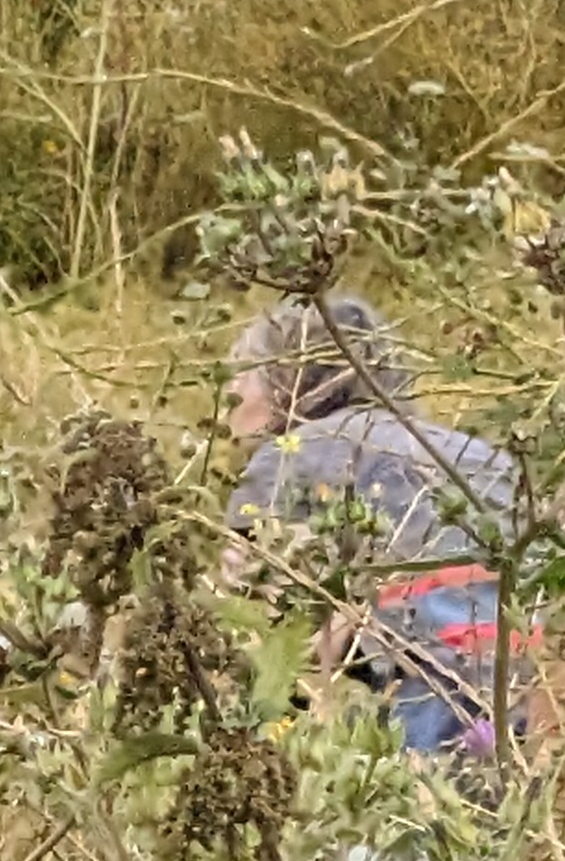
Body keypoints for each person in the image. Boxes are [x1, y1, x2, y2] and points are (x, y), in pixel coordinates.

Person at [223, 291, 520, 758]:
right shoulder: (479, 456)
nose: (230, 392)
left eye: (241, 373)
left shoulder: (289, 460)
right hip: (526, 704)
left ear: (285, 380)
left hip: (418, 715)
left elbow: (261, 638)